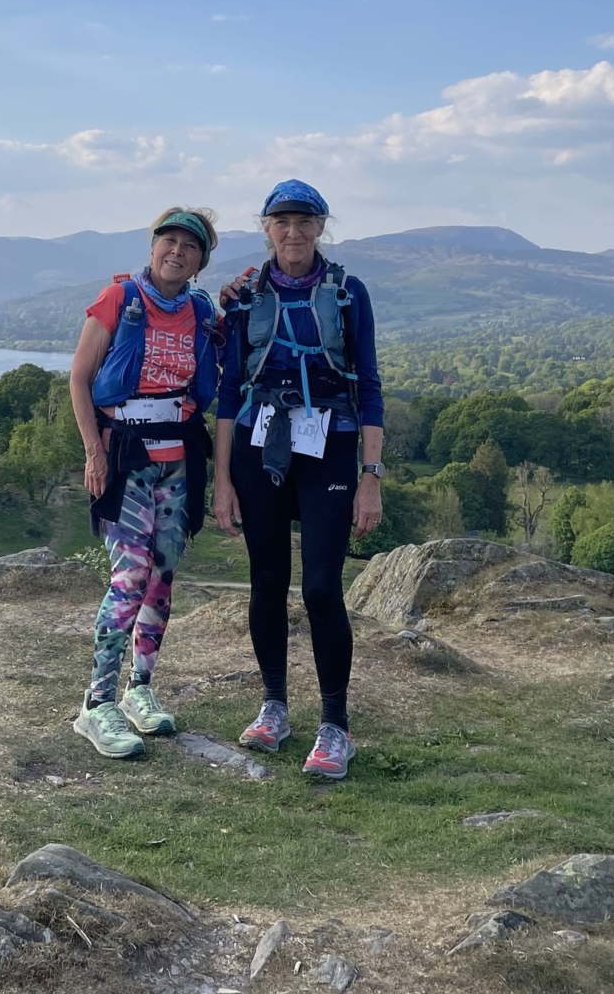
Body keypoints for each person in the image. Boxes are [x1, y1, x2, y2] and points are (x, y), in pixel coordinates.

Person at [212, 180, 383, 780]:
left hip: (330, 446)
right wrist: (222, 480)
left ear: (320, 228)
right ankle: (274, 707)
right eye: (281, 222)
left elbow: (369, 385)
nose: (293, 232)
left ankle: (335, 726)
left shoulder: (347, 293)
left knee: (320, 589)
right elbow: (228, 391)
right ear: (266, 229)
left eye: (304, 222)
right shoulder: (244, 297)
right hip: (258, 444)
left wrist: (370, 475)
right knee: (266, 581)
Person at [66, 207, 222, 759]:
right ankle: (96, 704)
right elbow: (80, 379)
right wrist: (93, 453)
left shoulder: (201, 311)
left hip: (179, 458)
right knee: (129, 576)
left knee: (162, 576)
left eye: (190, 245)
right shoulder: (119, 299)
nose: (177, 251)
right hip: (125, 457)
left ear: (201, 262)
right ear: (153, 246)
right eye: (169, 240)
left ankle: (140, 689)